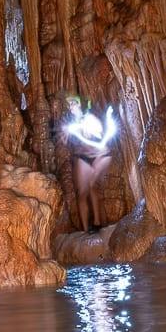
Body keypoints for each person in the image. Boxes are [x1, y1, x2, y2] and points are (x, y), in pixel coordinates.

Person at [63, 97, 118, 232]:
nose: (71, 107)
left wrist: (84, 129)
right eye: (69, 105)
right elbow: (69, 143)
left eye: (73, 103)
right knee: (82, 193)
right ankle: (86, 229)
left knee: (93, 185)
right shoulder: (73, 124)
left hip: (100, 154)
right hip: (83, 156)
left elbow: (99, 134)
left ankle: (97, 222)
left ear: (80, 104)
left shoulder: (90, 118)